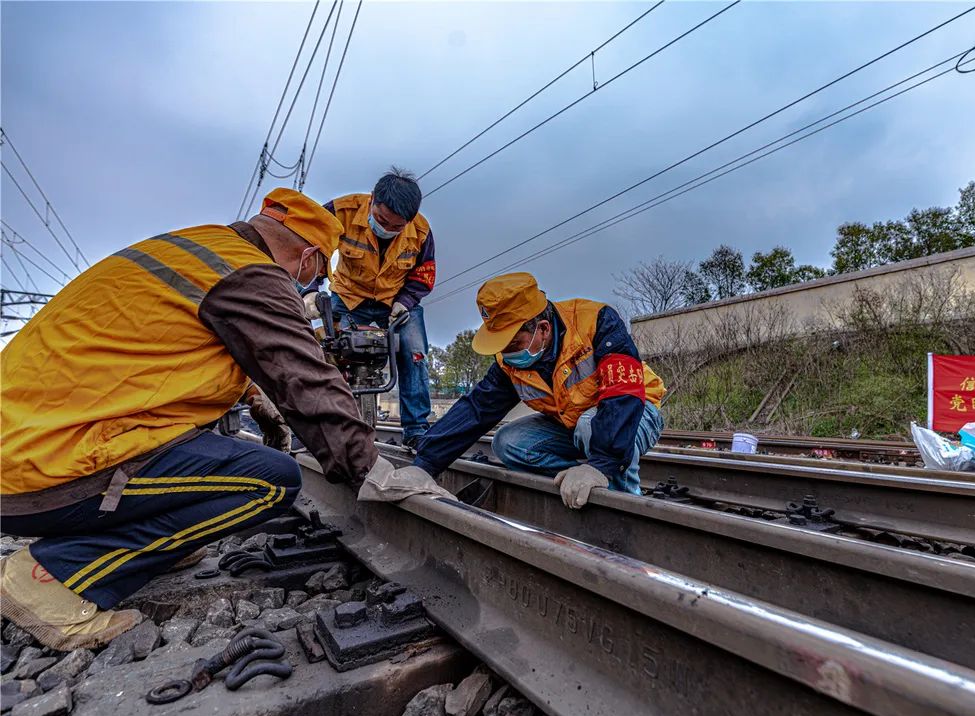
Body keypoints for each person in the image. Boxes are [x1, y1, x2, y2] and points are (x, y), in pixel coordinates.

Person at [0, 188, 381, 651]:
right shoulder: (255, 276)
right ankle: (56, 575)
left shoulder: (201, 250)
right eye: (318, 274)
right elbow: (308, 382)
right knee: (272, 480)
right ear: (308, 257)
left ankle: (162, 541)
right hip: (44, 474)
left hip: (26, 448)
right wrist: (366, 469)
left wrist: (258, 402)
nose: (312, 285)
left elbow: (174, 357)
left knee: (220, 457)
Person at [406, 272, 666, 510]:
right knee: (507, 442)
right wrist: (426, 463)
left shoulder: (596, 322)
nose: (507, 354)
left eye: (513, 343)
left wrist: (602, 463)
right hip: (575, 425)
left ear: (542, 328)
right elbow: (476, 410)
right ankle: (582, 478)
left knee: (591, 425)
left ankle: (625, 502)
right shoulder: (509, 363)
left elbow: (623, 394)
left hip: (635, 411)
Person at [323, 169, 435, 449]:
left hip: (393, 302)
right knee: (327, 352)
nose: (387, 228)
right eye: (382, 220)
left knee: (414, 351)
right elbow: (311, 248)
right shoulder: (341, 211)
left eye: (397, 227)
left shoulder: (420, 231)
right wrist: (311, 290)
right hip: (348, 296)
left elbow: (424, 273)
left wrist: (405, 302)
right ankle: (328, 423)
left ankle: (416, 429)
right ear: (372, 200)